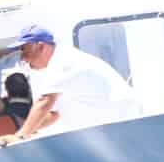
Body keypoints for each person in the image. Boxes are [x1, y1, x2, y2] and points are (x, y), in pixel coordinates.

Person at [12, 24, 144, 137]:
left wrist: (21, 136)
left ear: (40, 46)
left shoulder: (63, 61)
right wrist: (24, 131)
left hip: (122, 127)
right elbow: (53, 114)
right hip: (111, 131)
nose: (23, 57)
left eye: (24, 50)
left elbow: (44, 101)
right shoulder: (60, 61)